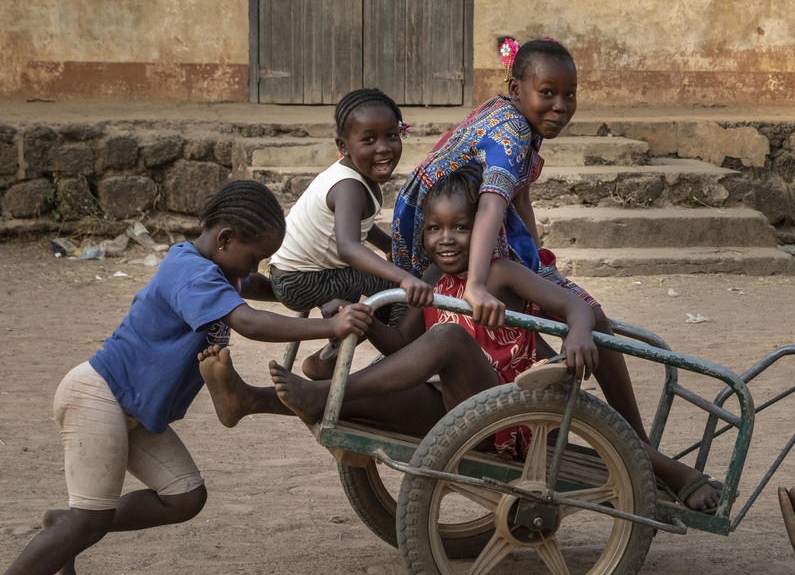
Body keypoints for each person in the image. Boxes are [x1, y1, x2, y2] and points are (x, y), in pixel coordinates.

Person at [200, 166, 725, 512]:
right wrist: (364, 321)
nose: (445, 240)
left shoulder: (499, 273)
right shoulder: (429, 276)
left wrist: (581, 332)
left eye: (460, 228)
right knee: (384, 385)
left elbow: (576, 307)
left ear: (485, 231)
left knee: (450, 338)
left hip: (513, 417)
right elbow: (405, 350)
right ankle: (251, 400)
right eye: (434, 229)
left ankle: (319, 393)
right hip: (456, 409)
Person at [0, 180, 372, 575]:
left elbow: (262, 289)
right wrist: (330, 325)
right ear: (226, 238)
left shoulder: (216, 267)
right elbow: (248, 321)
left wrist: (317, 296)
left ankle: (67, 526)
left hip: (134, 409)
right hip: (99, 397)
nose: (254, 268)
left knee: (184, 498)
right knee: (88, 519)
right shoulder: (191, 273)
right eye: (254, 257)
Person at [392, 38, 721, 511]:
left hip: (455, 235)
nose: (561, 106)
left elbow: (518, 195)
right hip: (452, 239)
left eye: (569, 95)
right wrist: (478, 284)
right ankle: (642, 453)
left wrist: (538, 262)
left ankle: (639, 453)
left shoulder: (515, 120)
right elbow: (492, 204)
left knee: (560, 333)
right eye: (547, 93)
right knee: (591, 321)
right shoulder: (511, 133)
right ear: (517, 89)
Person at [268, 87, 433, 378]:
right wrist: (404, 277)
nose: (383, 148)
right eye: (369, 140)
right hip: (303, 280)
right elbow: (348, 248)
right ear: (343, 146)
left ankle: (329, 357)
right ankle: (395, 359)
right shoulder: (349, 186)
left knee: (387, 287)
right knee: (399, 295)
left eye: (392, 136)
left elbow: (359, 225)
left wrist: (388, 245)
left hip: (296, 274)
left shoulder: (352, 176)